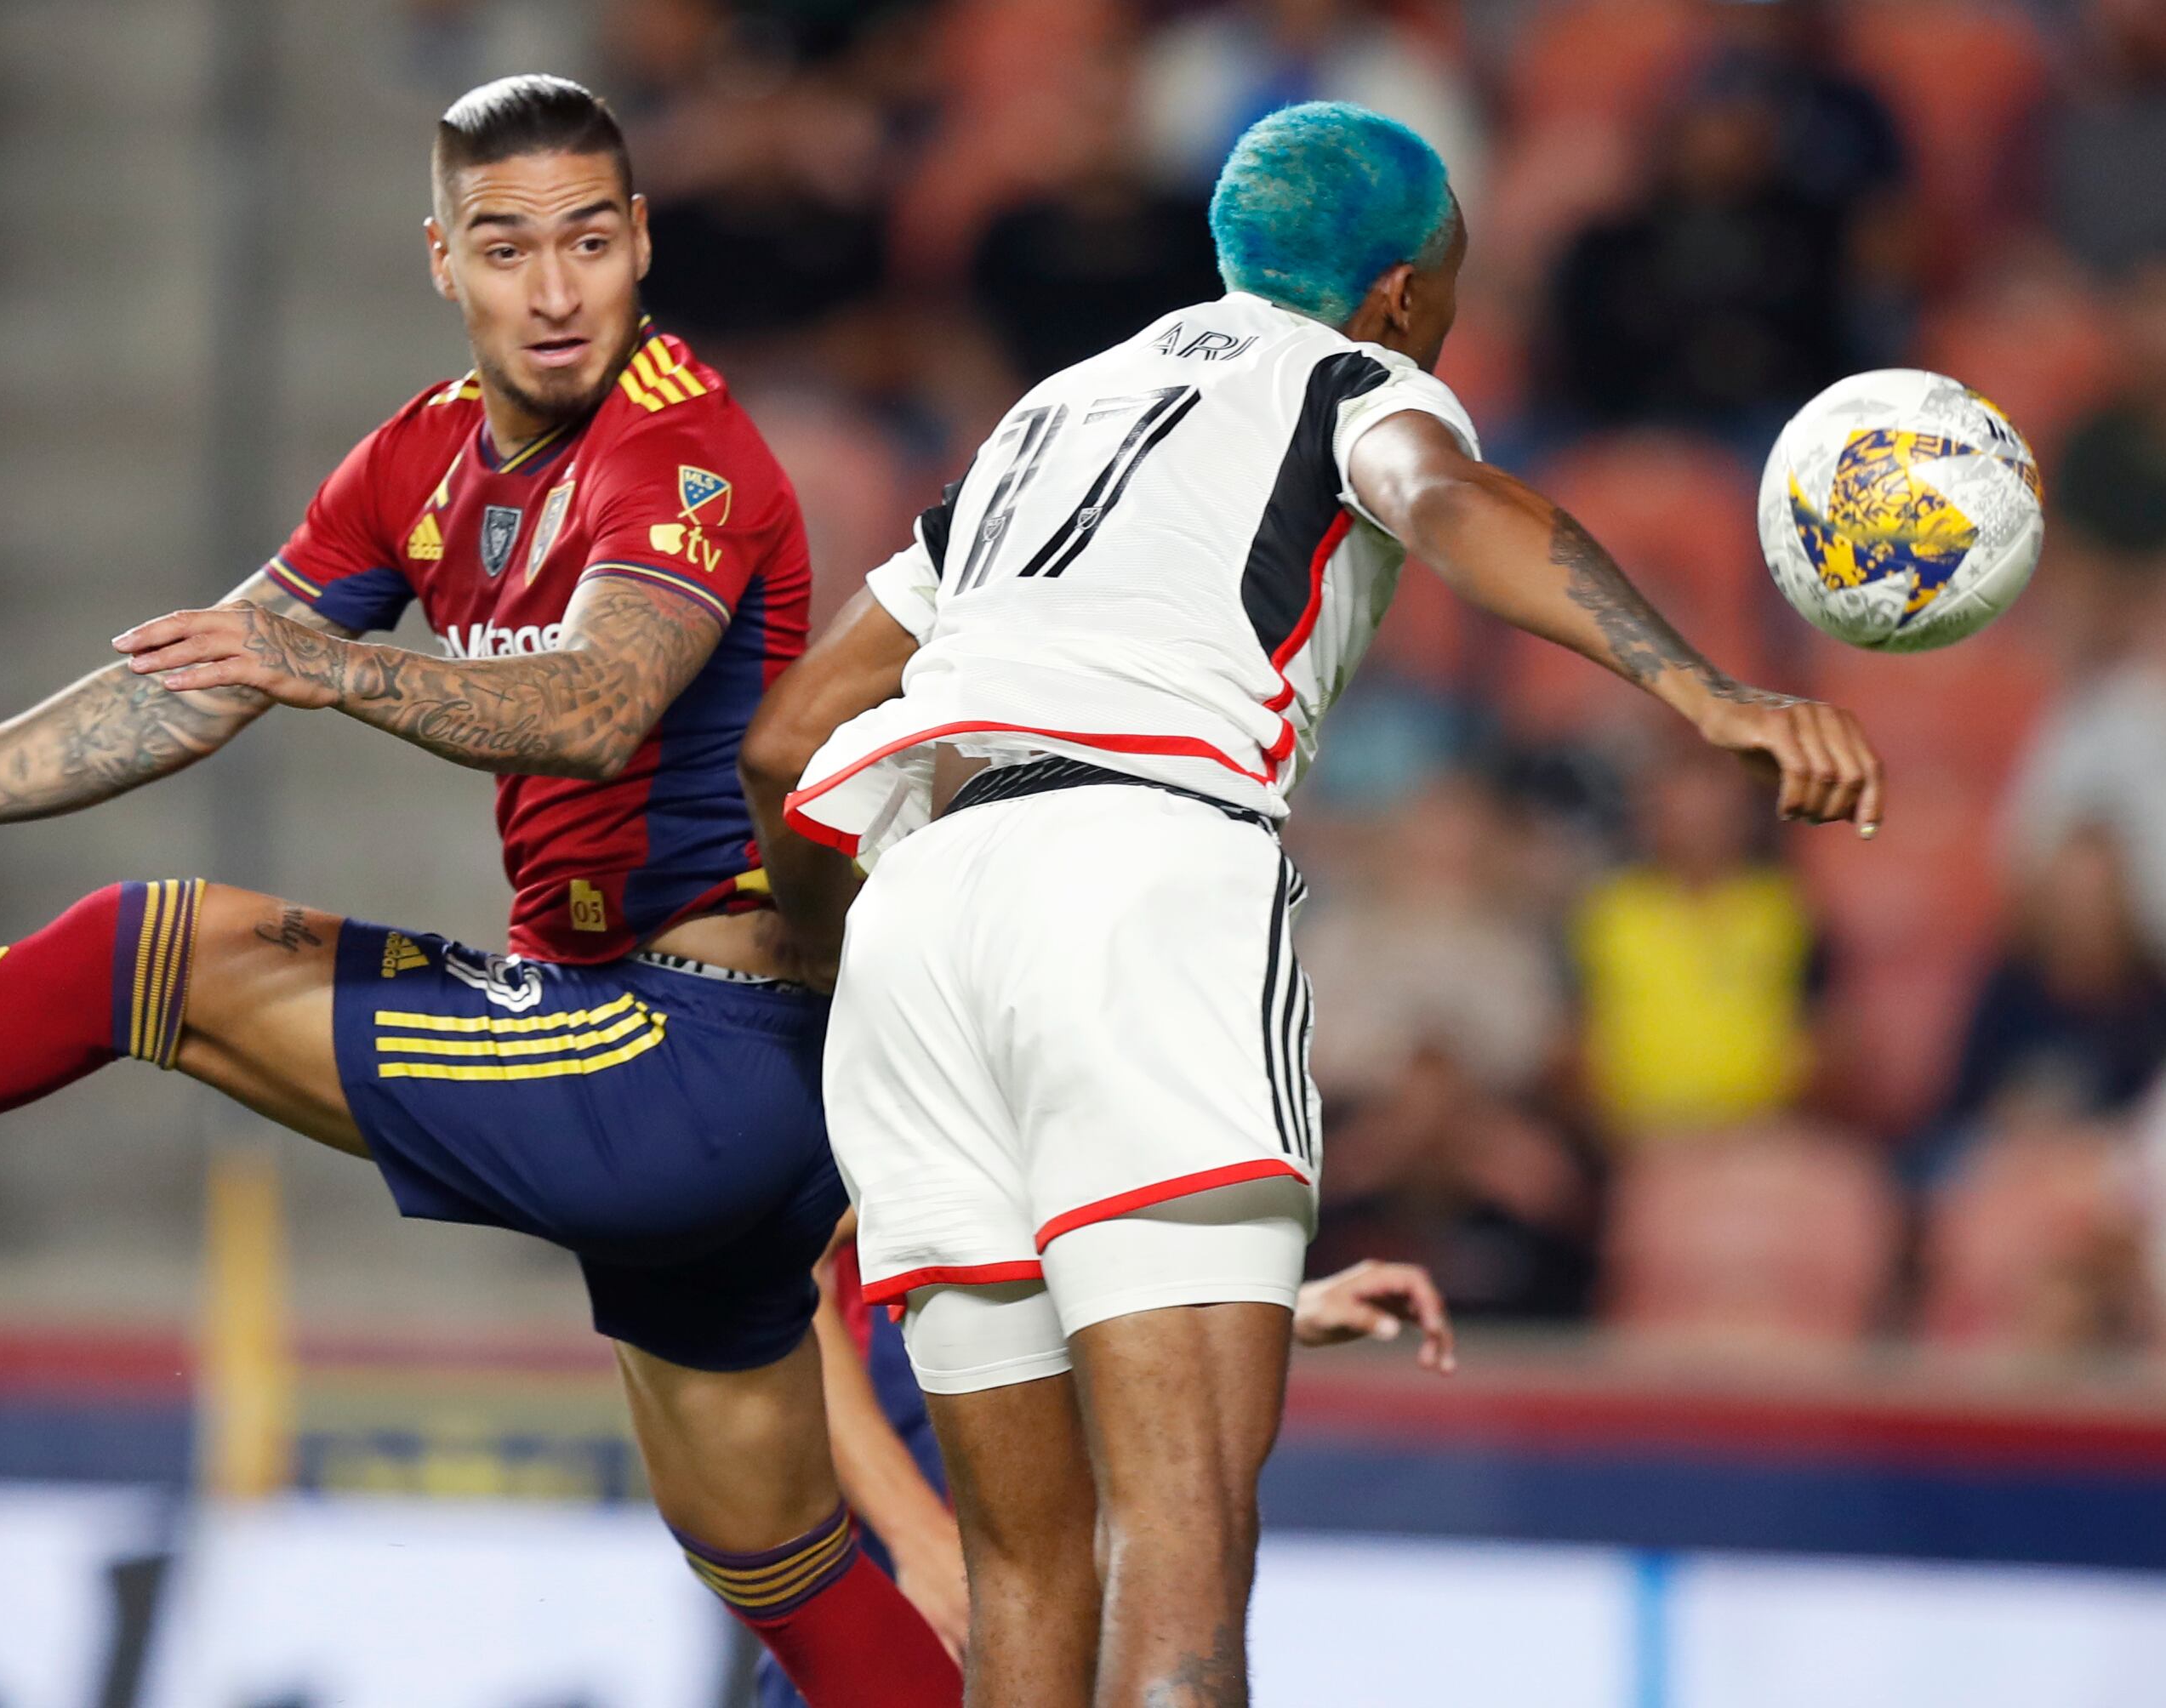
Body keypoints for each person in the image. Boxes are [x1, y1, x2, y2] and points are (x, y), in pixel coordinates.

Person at [0, 75, 955, 1708]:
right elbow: (178, 686)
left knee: (149, 951)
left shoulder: (684, 451)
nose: (557, 288)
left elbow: (594, 708)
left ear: (642, 239)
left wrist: (331, 669)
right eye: (508, 247)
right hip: (658, 1074)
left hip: (697, 1053)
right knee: (779, 1565)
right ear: (440, 258)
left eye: (591, 240)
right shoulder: (418, 462)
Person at [741, 101, 1885, 1706]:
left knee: (1021, 1577)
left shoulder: (1040, 423)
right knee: (1179, 1541)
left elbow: (788, 739)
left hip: (926, 921)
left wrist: (814, 955)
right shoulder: (1353, 379)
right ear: (1405, 293)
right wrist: (1700, 690)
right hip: (1142, 877)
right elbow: (1457, 502)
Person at [754, 1236, 1456, 1704]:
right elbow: (786, 1283)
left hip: (1066, 1581)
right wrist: (920, 1541)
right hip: (909, 1572)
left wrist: (1281, 1306)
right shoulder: (903, 1029)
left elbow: (1077, 1253)